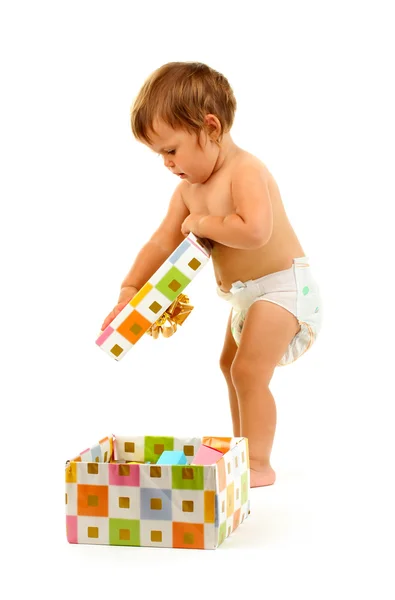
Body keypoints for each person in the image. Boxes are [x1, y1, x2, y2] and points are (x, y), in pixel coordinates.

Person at [100, 61, 323, 487]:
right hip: (246, 297)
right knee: (229, 365)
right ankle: (243, 449)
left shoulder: (246, 171)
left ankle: (259, 462)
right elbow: (161, 242)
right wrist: (131, 287)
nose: (166, 163)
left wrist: (202, 224)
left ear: (211, 128)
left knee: (248, 372)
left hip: (284, 288)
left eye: (171, 150)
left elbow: (256, 232)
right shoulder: (188, 190)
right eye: (159, 155)